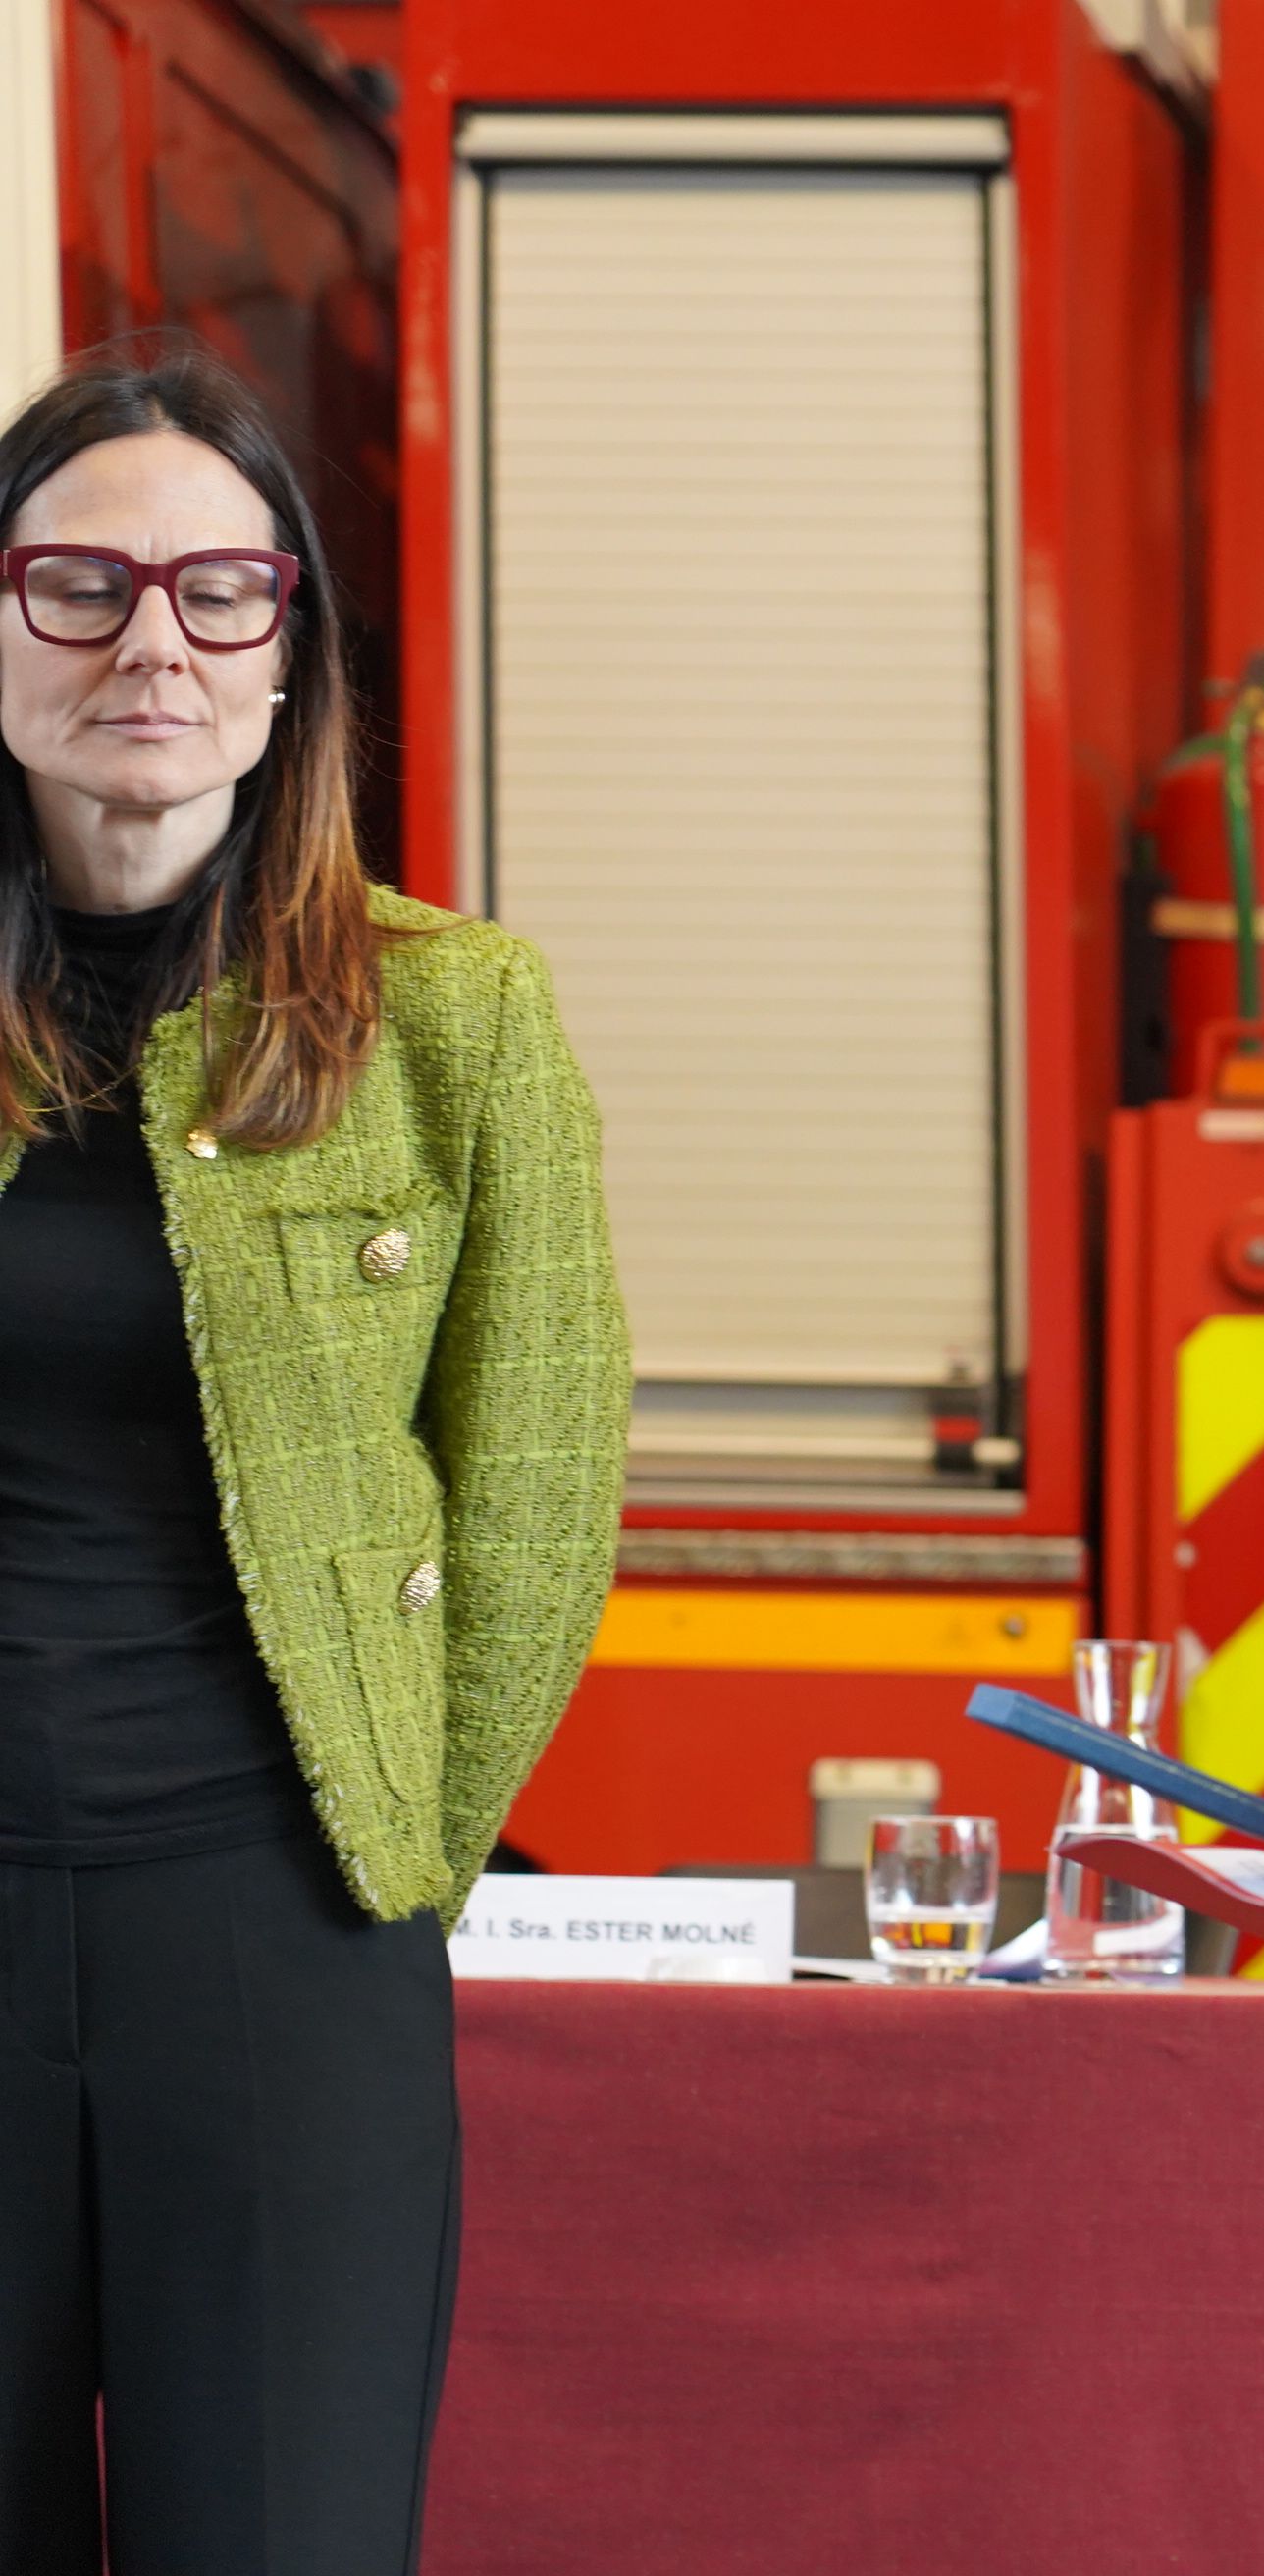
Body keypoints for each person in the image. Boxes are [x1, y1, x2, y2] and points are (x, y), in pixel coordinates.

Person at [0, 346, 627, 2570]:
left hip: (278, 1932)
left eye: (216, 591)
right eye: (77, 584)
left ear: (293, 659)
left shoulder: (450, 1020)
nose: (148, 641)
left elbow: (543, 1497)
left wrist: (388, 1865)